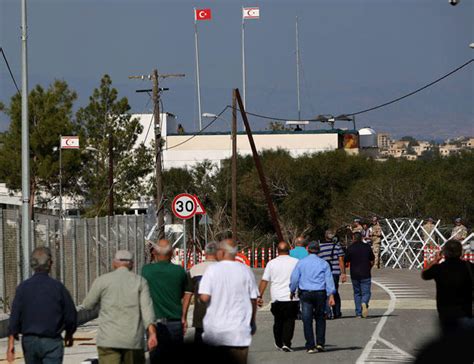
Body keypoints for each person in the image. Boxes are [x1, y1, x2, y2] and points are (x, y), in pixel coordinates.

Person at [81, 250, 157, 364]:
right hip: (132, 340)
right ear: (132, 264)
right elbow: (147, 310)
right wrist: (152, 333)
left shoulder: (102, 281)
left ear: (114, 263)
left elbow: (88, 304)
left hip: (108, 339)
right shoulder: (140, 282)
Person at [6, 247, 77, 364]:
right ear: (50, 264)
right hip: (52, 341)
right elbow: (70, 314)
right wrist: (69, 333)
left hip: (30, 341)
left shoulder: (23, 288)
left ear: (32, 265)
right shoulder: (58, 288)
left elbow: (14, 316)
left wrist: (11, 343)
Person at [199, 239, 259, 364]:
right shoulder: (245, 270)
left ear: (222, 252)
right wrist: (252, 321)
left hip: (216, 333)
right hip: (239, 333)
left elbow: (204, 297)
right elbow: (253, 299)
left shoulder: (212, 270)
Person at [141, 239, 191, 362]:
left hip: (154, 323)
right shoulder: (179, 271)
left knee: (156, 357)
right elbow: (186, 293)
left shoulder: (146, 271)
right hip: (175, 322)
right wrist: (184, 316)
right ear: (172, 253)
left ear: (155, 253)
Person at [289, 241, 336, 353]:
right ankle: (320, 343)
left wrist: (292, 290)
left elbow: (295, 278)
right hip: (320, 292)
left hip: (306, 293)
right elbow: (329, 280)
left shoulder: (301, 263)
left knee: (307, 319)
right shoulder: (324, 263)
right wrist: (331, 295)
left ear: (307, 249)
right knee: (320, 318)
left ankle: (310, 345)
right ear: (318, 250)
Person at [421, 240, 473, 333]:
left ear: (445, 253)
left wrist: (435, 260)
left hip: (446, 310)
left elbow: (424, 274)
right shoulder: (469, 267)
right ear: (461, 252)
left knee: (449, 341)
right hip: (465, 310)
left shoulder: (440, 268)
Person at [257, 241, 299, 352]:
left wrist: (259, 296)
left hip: (277, 297)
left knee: (278, 320)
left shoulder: (271, 263)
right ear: (289, 250)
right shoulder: (296, 262)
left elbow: (264, 280)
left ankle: (279, 342)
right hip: (292, 296)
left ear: (277, 251)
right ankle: (287, 342)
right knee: (290, 320)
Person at [182, 242, 218, 344]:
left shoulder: (194, 270)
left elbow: (187, 296)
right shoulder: (225, 270)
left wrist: (183, 317)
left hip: (200, 319)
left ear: (205, 254)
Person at [318, 230, 347, 319]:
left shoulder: (320, 247)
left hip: (323, 273)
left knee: (325, 292)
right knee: (334, 291)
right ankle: (337, 312)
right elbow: (341, 260)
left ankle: (327, 312)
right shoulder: (337, 247)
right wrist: (343, 273)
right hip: (334, 272)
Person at [345, 232, 375, 318]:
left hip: (354, 273)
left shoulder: (350, 248)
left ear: (353, 238)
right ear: (362, 238)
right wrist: (370, 267)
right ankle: (364, 302)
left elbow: (346, 260)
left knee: (357, 293)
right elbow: (372, 259)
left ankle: (358, 312)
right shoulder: (367, 247)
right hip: (365, 272)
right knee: (366, 292)